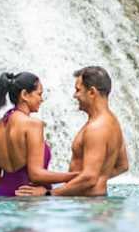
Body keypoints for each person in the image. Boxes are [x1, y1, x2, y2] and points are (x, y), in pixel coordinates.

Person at [17, 66, 129, 197]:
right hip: (96, 201)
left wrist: (48, 193)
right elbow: (122, 165)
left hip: (88, 205)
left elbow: (89, 178)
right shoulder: (113, 122)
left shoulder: (96, 128)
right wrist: (99, 178)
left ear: (92, 92)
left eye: (78, 90)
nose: (75, 95)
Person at [0, 72, 79, 197]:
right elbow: (36, 175)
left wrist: (12, 185)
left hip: (3, 197)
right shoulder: (33, 124)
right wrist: (75, 176)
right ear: (24, 95)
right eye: (39, 94)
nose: (41, 99)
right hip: (28, 202)